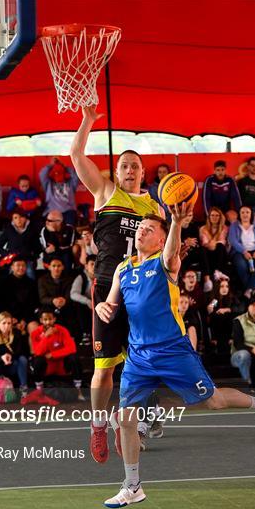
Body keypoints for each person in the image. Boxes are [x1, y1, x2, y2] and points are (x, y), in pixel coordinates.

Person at [95, 207, 255, 508]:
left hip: (173, 350)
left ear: (160, 240)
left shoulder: (166, 262)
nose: (142, 231)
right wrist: (102, 308)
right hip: (138, 356)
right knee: (125, 419)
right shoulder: (123, 268)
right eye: (140, 227)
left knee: (213, 401)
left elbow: (173, 249)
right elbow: (110, 303)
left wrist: (174, 222)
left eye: (149, 229)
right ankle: (132, 486)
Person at [70, 106, 164, 463]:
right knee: (104, 368)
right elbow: (76, 155)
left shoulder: (155, 207)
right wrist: (89, 120)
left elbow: (160, 250)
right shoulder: (105, 191)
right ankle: (97, 425)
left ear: (142, 172)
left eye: (134, 166)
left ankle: (132, 425)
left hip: (142, 290)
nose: (128, 170)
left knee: (143, 362)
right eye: (123, 165)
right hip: (108, 285)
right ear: (118, 171)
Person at [24, 306, 83, 403]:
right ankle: (39, 390)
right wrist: (46, 337)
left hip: (62, 365)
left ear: (54, 319)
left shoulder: (62, 330)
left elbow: (72, 348)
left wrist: (53, 354)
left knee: (74, 358)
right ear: (41, 320)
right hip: (47, 367)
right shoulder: (35, 333)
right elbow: (38, 352)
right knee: (38, 360)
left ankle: (78, 390)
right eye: (45, 319)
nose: (48, 322)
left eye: (50, 319)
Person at [0, 311, 29, 404]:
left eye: (9, 323)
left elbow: (20, 351)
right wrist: (1, 357)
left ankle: (24, 390)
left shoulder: (16, 333)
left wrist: (10, 356)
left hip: (11, 365)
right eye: (3, 323)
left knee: (22, 359)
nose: (6, 326)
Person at [228, 205, 255, 298]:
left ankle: (249, 289)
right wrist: (244, 251)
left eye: (247, 212)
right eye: (242, 212)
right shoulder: (234, 225)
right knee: (241, 265)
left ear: (251, 214)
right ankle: (253, 289)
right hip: (240, 251)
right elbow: (233, 240)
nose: (245, 214)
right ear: (239, 214)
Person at [0, 256, 39, 336]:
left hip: (27, 317)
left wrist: (24, 320)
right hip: (8, 316)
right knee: (6, 326)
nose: (21, 268)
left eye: (23, 266)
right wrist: (10, 318)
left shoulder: (31, 283)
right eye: (18, 265)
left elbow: (33, 304)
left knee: (34, 328)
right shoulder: (3, 283)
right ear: (12, 267)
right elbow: (0, 303)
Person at [40, 157, 79, 226]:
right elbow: (42, 175)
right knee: (51, 227)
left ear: (64, 174)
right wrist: (51, 165)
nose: (58, 175)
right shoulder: (49, 184)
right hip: (52, 210)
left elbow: (76, 175)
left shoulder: (70, 183)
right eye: (56, 173)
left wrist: (65, 166)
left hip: (68, 211)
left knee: (69, 227)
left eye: (60, 173)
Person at [70, 254, 96, 345]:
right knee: (79, 306)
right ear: (86, 266)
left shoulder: (101, 277)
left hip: (98, 304)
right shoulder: (81, 277)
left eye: (97, 264)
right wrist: (88, 302)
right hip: (86, 305)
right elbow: (73, 294)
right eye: (92, 264)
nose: (94, 267)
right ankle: (85, 334)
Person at [199, 207, 229, 279]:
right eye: (212, 215)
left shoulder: (224, 227)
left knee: (220, 246)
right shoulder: (203, 228)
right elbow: (204, 242)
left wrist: (213, 242)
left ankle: (218, 272)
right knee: (202, 249)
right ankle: (207, 276)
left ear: (220, 217)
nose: (214, 217)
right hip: (207, 252)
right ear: (209, 217)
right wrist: (212, 242)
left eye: (217, 215)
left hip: (220, 251)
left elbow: (222, 241)